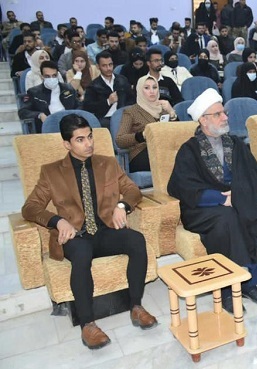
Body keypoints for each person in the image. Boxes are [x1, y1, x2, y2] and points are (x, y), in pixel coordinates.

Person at [21, 114, 157, 350]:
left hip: (104, 230)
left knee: (136, 240)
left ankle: (136, 306)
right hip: (75, 236)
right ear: (67, 144)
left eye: (90, 137)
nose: (89, 144)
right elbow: (30, 207)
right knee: (82, 253)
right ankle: (88, 325)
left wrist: (122, 205)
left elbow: (133, 190)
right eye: (80, 140)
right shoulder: (51, 172)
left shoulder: (108, 164)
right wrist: (57, 221)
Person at [168, 89, 257, 312]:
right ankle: (228, 290)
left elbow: (256, 176)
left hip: (238, 200)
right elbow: (181, 186)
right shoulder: (190, 150)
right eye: (218, 114)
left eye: (224, 112)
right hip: (203, 209)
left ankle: (250, 282)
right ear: (203, 120)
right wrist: (219, 198)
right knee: (228, 220)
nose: (225, 117)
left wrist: (238, 195)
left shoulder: (235, 143)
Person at [116, 76, 177, 172]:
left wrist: (172, 113)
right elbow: (120, 140)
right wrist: (142, 135)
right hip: (141, 153)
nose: (152, 91)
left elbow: (179, 134)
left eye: (154, 87)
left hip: (164, 149)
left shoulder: (164, 109)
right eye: (147, 88)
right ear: (140, 90)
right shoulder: (131, 112)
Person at [18, 61, 79, 133]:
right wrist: (39, 115)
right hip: (47, 127)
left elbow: (79, 106)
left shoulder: (69, 89)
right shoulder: (34, 92)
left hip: (69, 126)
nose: (51, 78)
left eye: (54, 75)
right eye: (47, 76)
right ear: (42, 76)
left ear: (58, 75)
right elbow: (23, 112)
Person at [83, 51, 134, 127]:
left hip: (124, 115)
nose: (108, 68)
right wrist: (108, 102)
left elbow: (132, 99)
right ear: (98, 66)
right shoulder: (93, 86)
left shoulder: (122, 80)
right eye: (104, 66)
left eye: (110, 64)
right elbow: (88, 107)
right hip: (105, 118)